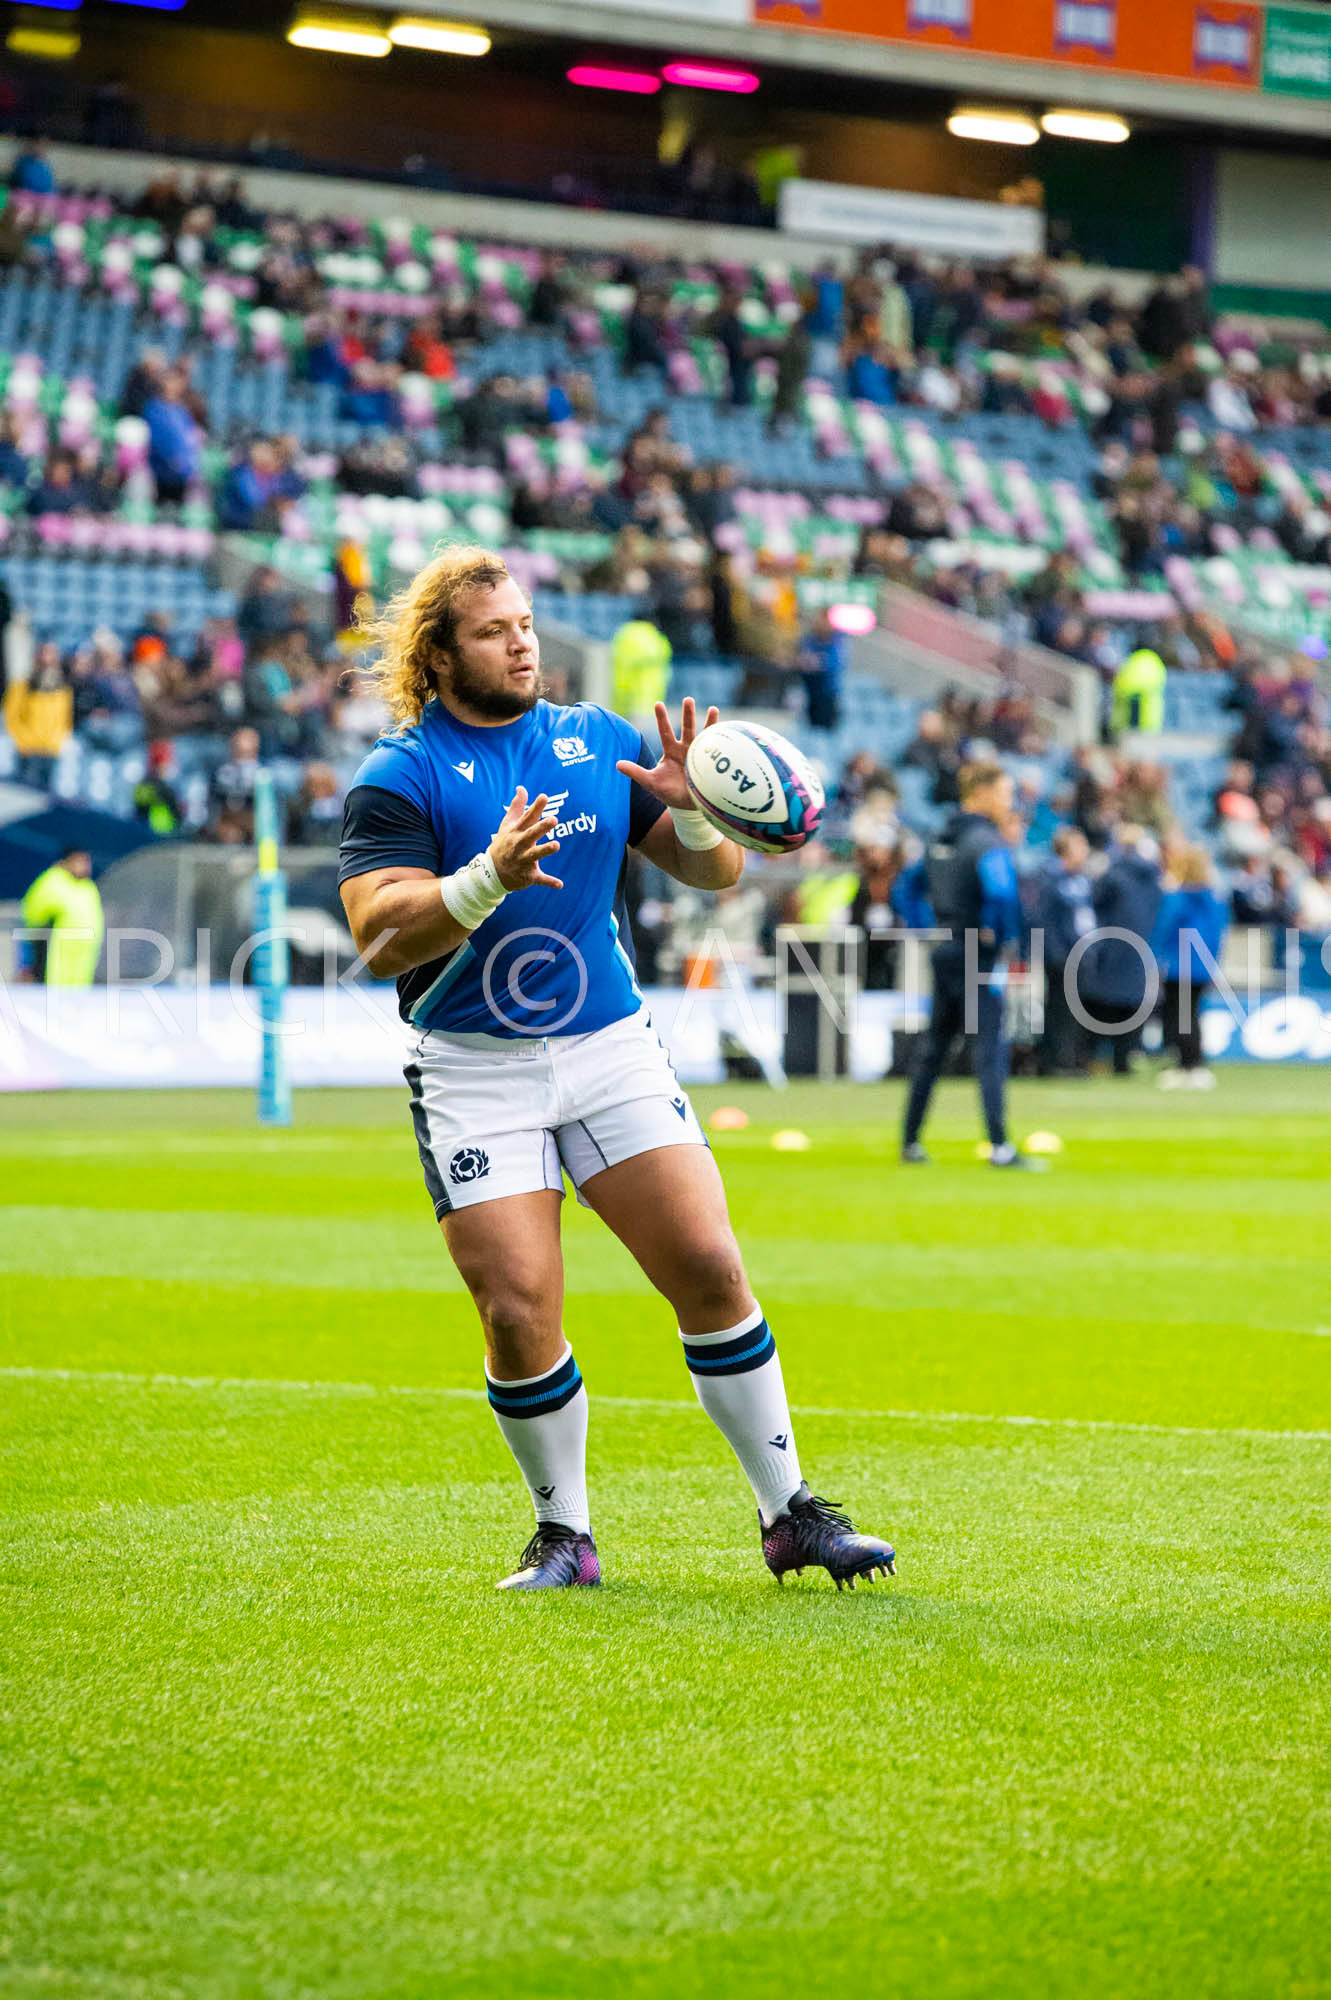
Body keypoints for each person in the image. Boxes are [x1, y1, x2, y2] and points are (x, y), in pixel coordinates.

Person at [337, 545, 895, 1592]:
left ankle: (791, 1514)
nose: (521, 642)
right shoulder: (398, 774)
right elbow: (377, 936)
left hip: (606, 1045)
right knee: (516, 1305)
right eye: (494, 630)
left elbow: (716, 868)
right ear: (439, 653)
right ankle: (564, 1535)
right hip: (473, 1067)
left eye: (526, 623)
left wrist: (689, 808)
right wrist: (484, 878)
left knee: (707, 1263)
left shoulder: (594, 739)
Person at [900, 762, 1039, 1170]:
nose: (1009, 800)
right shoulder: (986, 841)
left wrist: (926, 927)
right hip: (976, 953)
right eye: (1005, 791)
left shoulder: (940, 836)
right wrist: (1004, 937)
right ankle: (1000, 1146)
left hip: (944, 948)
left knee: (934, 1048)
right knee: (989, 1048)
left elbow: (906, 888)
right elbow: (1002, 892)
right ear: (982, 792)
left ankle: (910, 1141)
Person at [1079, 825, 1162, 1075]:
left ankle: (1090, 1057)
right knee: (1133, 1006)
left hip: (1113, 947)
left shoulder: (1113, 875)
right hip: (1142, 947)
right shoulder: (1154, 877)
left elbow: (1093, 904)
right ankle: (1124, 1060)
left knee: (1100, 1004)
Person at [1153, 845, 1228, 1090]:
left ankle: (1186, 1065)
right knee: (1192, 1014)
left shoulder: (1177, 897)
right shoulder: (1214, 899)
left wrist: (1156, 957)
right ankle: (1194, 1063)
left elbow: (1164, 928)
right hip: (1201, 967)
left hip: (1177, 965)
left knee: (1178, 1016)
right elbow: (1218, 934)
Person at [1034, 826, 1095, 1076]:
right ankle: (1056, 1061)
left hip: (1080, 952)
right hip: (1061, 954)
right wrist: (1056, 951)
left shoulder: (1079, 879)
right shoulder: (1050, 878)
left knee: (1073, 1009)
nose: (1085, 851)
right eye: (1080, 846)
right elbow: (1044, 920)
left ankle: (1068, 1058)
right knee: (1060, 1008)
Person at [18, 848, 103, 987]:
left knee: (77, 989)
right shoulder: (53, 880)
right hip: (57, 950)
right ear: (66, 861)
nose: (85, 866)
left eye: (87, 861)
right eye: (80, 861)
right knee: (53, 987)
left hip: (82, 953)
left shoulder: (88, 887)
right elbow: (34, 913)